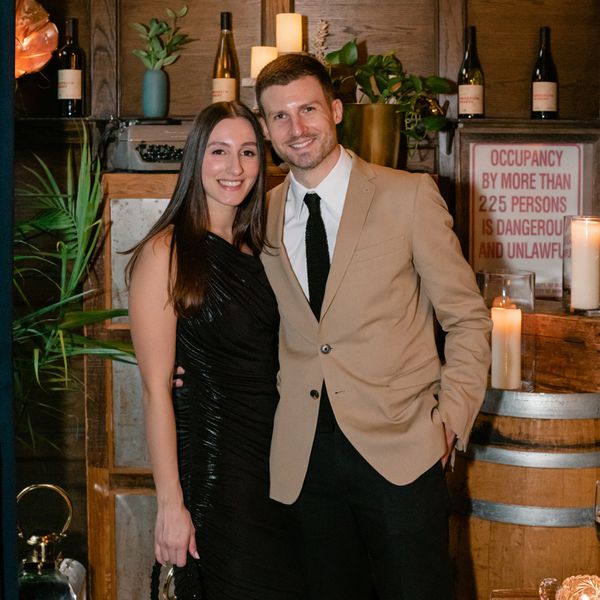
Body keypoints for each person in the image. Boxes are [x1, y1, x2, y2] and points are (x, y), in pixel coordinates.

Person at [254, 53, 492, 600]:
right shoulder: (260, 214)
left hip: (402, 453)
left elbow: (467, 319)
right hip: (303, 462)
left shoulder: (406, 196)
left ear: (336, 110)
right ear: (266, 129)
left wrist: (448, 424)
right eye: (280, 117)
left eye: (308, 109)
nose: (297, 128)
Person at [127, 101, 305, 600]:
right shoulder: (165, 252)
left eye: (248, 152)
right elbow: (156, 390)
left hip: (280, 466)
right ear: (195, 160)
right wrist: (170, 504)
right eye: (219, 151)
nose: (235, 168)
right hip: (214, 470)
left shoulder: (264, 249)